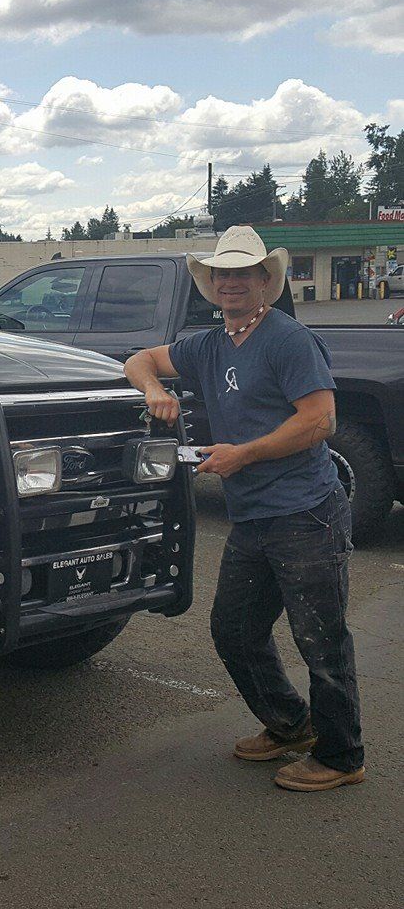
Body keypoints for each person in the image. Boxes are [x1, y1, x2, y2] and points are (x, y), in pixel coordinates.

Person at [124, 225, 364, 792]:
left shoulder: (287, 340)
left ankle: (342, 757)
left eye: (244, 273)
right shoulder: (208, 344)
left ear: (266, 282)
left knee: (321, 640)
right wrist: (153, 391)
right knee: (234, 630)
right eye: (222, 274)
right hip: (254, 518)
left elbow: (319, 421)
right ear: (211, 284)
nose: (231, 282)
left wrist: (243, 455)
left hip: (306, 513)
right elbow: (140, 359)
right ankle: (290, 725)